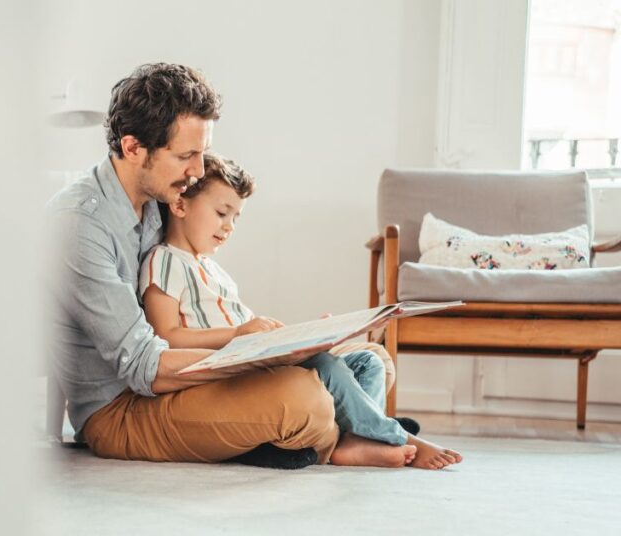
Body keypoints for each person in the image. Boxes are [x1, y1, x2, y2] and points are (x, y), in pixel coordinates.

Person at [47, 63, 338, 470]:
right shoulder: (79, 225)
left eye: (201, 153)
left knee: (362, 361)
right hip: (121, 409)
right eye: (186, 155)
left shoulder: (156, 199)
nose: (198, 171)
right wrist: (257, 355)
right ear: (133, 148)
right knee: (306, 401)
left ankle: (315, 431)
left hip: (172, 384)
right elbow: (145, 366)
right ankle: (331, 434)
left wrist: (275, 348)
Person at [139, 152, 463, 470]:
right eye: (222, 213)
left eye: (236, 218)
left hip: (253, 358)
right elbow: (165, 335)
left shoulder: (214, 271)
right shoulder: (164, 261)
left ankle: (355, 440)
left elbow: (246, 330)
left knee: (370, 362)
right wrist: (238, 334)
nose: (230, 227)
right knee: (324, 365)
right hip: (225, 373)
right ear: (180, 205)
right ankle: (394, 436)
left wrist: (300, 336)